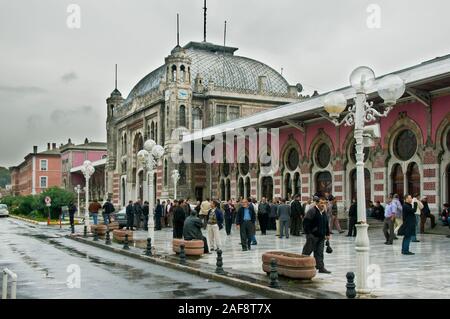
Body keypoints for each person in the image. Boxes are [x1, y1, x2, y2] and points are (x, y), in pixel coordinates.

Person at [302, 196, 331, 274]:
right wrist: (309, 234)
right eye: (321, 203)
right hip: (313, 236)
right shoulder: (312, 211)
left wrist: (327, 234)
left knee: (319, 253)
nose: (323, 204)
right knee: (307, 252)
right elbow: (305, 223)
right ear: (317, 203)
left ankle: (320, 267)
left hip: (321, 236)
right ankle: (302, 266)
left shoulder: (324, 212)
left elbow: (326, 224)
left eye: (324, 203)